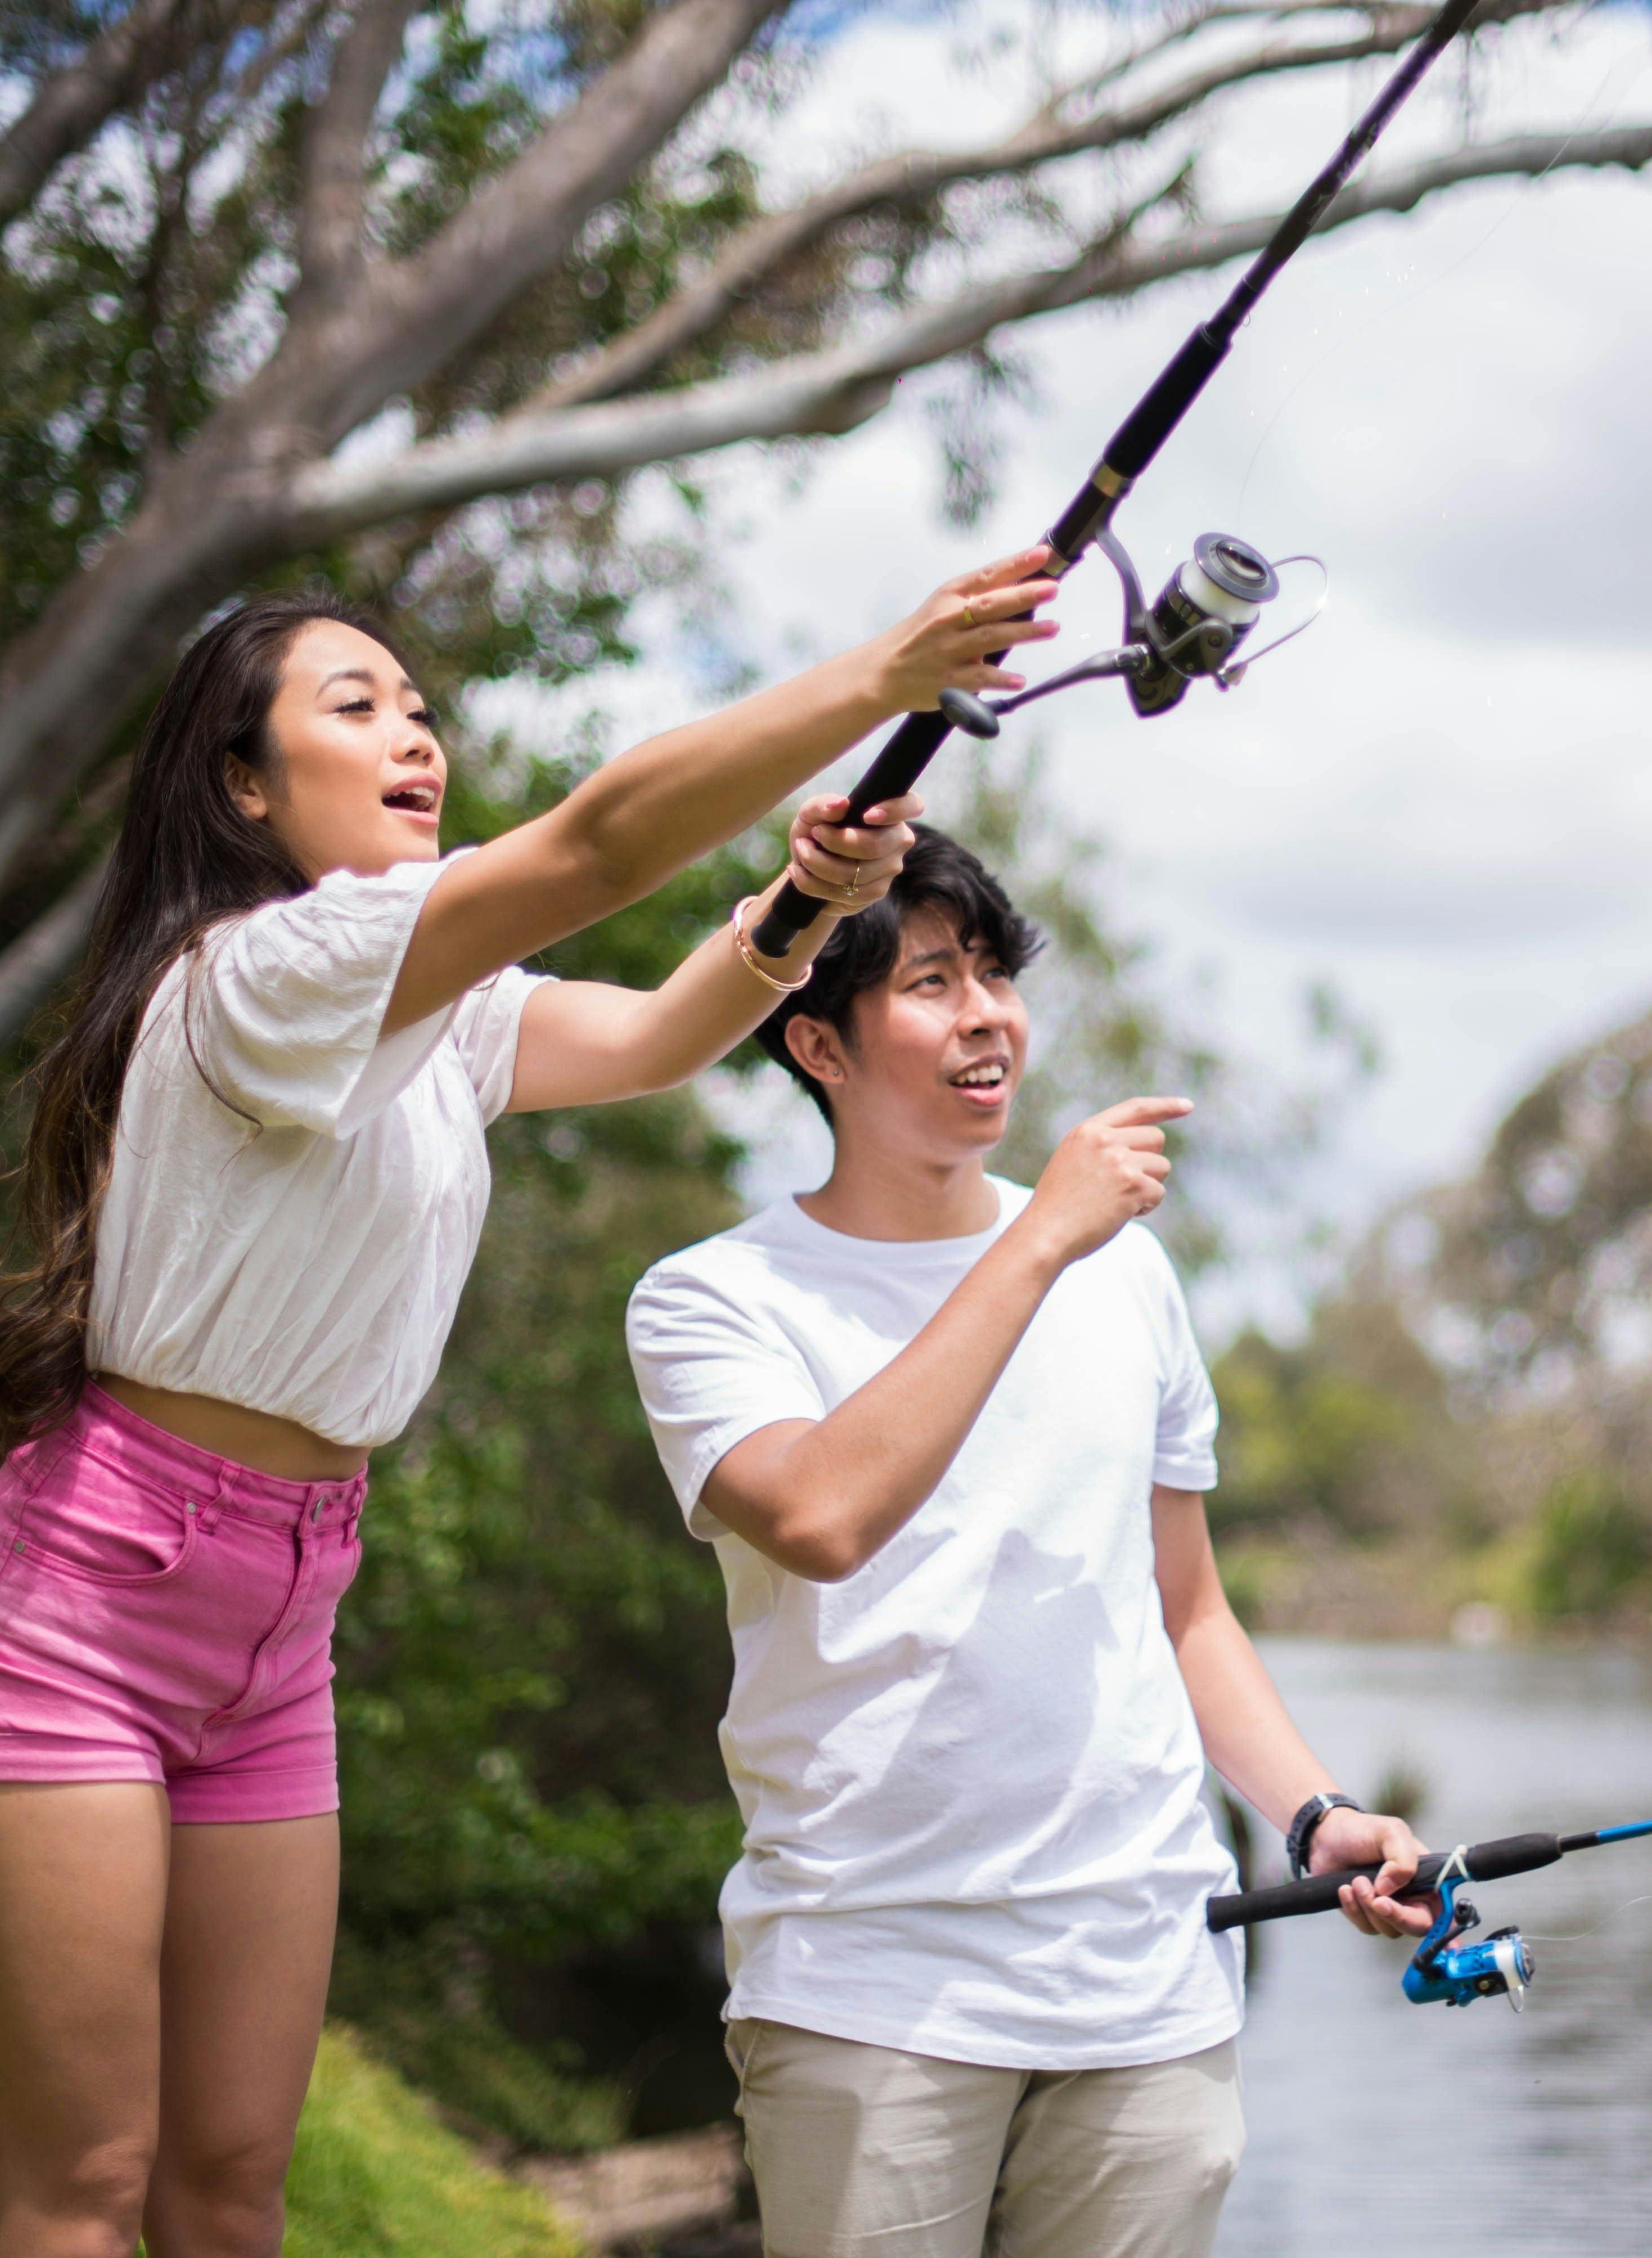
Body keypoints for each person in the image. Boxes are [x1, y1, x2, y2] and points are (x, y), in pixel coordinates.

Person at [0, 549, 1063, 2258]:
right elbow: (593, 850)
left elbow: (654, 1037)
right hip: (90, 1603)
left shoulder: (430, 1006)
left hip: (283, 1614)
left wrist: (802, 905)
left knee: (227, 2193)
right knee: (80, 2188)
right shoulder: (269, 969)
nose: (416, 736)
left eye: (422, 708)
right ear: (242, 785)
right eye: (356, 707)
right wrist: (882, 676)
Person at [624, 831, 1434, 2258]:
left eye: (993, 974)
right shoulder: (716, 1300)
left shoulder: (1126, 1272)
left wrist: (1316, 1817)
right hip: (867, 1979)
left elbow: (1186, 1611)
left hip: (1144, 1982)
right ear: (817, 1042)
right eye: (931, 981)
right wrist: (1039, 1240)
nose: (985, 1014)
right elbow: (820, 1516)